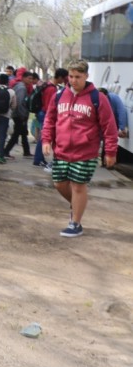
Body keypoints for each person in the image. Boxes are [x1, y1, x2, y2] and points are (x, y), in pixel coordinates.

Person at [42, 60, 118, 237]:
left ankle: (75, 223)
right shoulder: (59, 96)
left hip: (85, 152)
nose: (73, 80)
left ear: (86, 76)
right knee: (59, 184)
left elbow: (109, 126)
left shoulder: (98, 98)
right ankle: (78, 205)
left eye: (78, 76)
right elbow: (50, 120)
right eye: (71, 76)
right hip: (61, 150)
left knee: (78, 186)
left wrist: (110, 151)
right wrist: (46, 140)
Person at [33, 69, 68, 170]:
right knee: (44, 137)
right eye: (64, 78)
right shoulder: (52, 89)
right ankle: (38, 159)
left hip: (41, 112)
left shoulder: (47, 85)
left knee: (42, 136)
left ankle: (40, 159)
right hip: (44, 113)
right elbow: (50, 106)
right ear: (60, 77)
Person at [3, 69, 35, 159]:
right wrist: (22, 116)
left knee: (24, 133)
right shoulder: (22, 88)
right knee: (16, 134)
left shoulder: (19, 86)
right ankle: (5, 151)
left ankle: (26, 151)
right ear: (24, 78)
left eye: (32, 79)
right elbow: (20, 103)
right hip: (19, 115)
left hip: (18, 114)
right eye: (29, 78)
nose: (31, 81)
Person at [98, 87, 129, 166]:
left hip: (111, 122)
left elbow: (121, 111)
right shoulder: (94, 99)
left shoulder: (114, 98)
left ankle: (106, 162)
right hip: (99, 122)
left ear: (107, 95)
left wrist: (122, 128)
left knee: (108, 142)